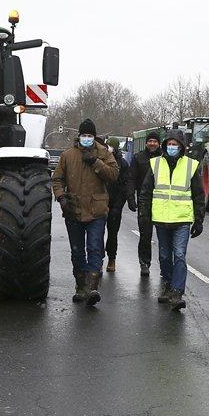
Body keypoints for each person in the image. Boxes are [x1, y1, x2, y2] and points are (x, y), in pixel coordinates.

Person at [52, 119, 119, 306]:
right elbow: (57, 179)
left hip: (97, 210)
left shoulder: (104, 153)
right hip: (73, 209)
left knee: (95, 247)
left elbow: (113, 175)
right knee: (77, 251)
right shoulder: (68, 156)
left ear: (94, 136)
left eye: (90, 135)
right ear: (79, 136)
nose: (87, 138)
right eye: (84, 135)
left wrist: (96, 162)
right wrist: (61, 197)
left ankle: (92, 287)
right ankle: (80, 286)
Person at [137, 128, 204, 311]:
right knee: (165, 255)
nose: (172, 147)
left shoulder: (191, 165)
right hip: (161, 219)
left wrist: (199, 219)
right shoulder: (155, 164)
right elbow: (146, 192)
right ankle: (167, 283)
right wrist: (144, 213)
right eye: (169, 144)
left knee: (180, 254)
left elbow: (198, 194)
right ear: (165, 145)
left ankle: (177, 292)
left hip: (182, 220)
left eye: (175, 144)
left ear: (181, 147)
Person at [129, 132, 162, 276]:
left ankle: (165, 265)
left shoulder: (164, 159)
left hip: (162, 202)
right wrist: (130, 197)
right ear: (146, 143)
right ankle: (144, 263)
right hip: (144, 202)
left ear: (159, 143)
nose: (153, 144)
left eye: (155, 141)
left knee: (164, 237)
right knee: (145, 235)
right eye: (150, 141)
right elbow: (131, 178)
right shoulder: (138, 158)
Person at [103, 136, 133, 273]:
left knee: (112, 234)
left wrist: (118, 207)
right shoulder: (101, 161)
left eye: (110, 147)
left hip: (115, 204)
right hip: (100, 204)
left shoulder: (123, 164)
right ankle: (98, 260)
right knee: (97, 234)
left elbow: (124, 187)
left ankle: (111, 258)